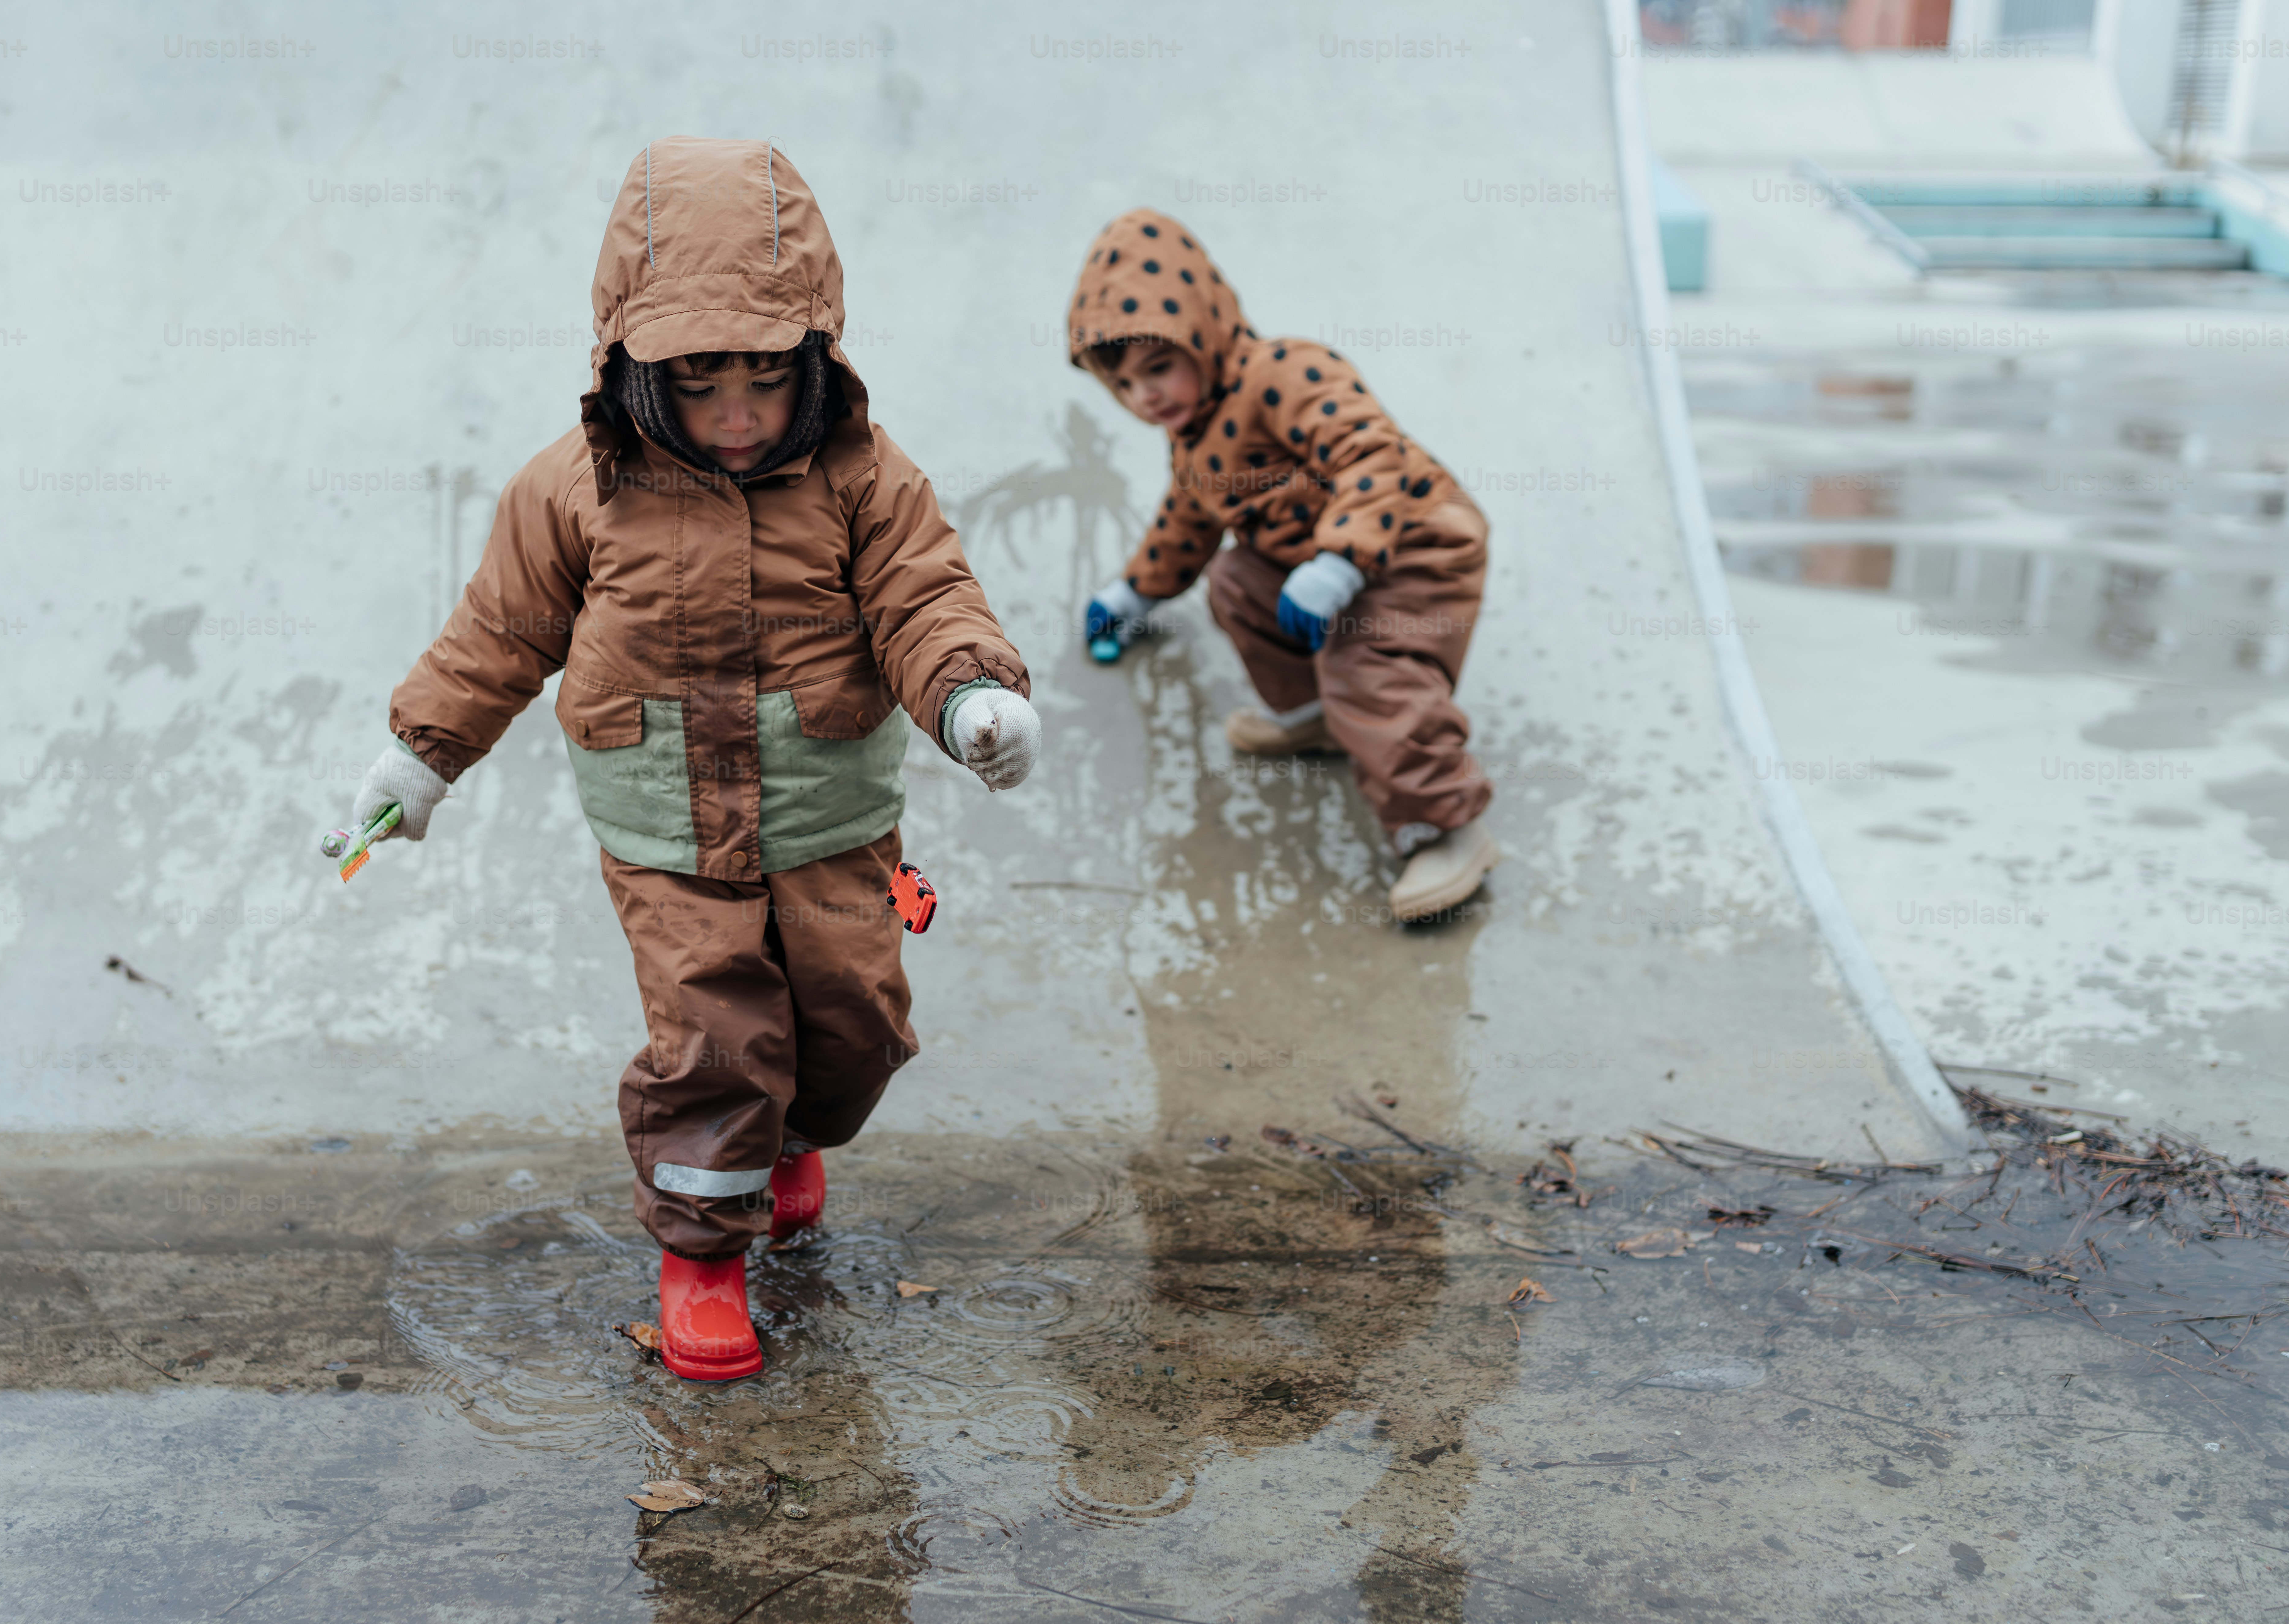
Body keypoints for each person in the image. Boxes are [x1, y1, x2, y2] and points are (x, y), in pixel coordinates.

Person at [344, 138, 1036, 1382]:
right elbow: (498, 634)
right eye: (700, 380)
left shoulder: (866, 482)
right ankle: (704, 1257)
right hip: (666, 834)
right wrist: (419, 760)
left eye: (765, 380)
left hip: (832, 817)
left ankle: (791, 1136)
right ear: (631, 363)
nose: (734, 412)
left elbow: (926, 599)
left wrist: (971, 695)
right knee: (718, 1046)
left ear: (816, 360)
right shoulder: (574, 491)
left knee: (854, 1027)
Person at [1067, 209, 1496, 923]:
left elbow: (1369, 450)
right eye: (1126, 387)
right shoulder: (1194, 438)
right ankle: (1324, 715)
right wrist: (1133, 594)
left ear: (1202, 330)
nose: (1146, 396)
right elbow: (1185, 526)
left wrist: (1338, 561)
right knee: (1236, 583)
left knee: (1373, 666)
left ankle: (1449, 825)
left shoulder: (1284, 371)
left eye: (1159, 367)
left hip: (1413, 545)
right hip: (1325, 566)